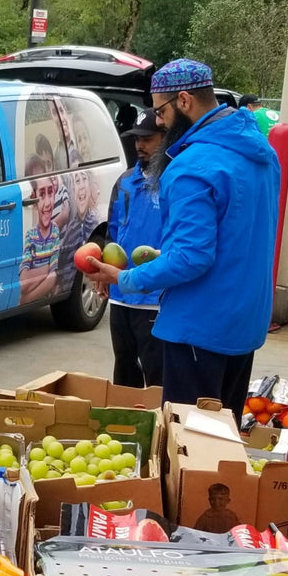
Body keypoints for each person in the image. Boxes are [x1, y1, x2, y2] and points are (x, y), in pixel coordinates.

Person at [86, 59, 280, 424]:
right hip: (244, 323)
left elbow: (192, 258)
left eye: (160, 110)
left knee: (188, 449)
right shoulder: (262, 153)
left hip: (198, 329)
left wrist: (123, 279)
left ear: (185, 101)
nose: (158, 121)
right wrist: (167, 255)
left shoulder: (192, 166)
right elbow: (239, 238)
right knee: (222, 444)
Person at [106, 107, 165, 388]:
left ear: (166, 138)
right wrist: (104, 273)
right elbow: (113, 234)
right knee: (124, 365)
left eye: (148, 138)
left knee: (156, 370)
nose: (140, 145)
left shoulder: (174, 182)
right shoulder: (125, 181)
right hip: (120, 292)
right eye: (136, 139)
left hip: (154, 295)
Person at [19, 156, 61, 303]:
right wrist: (47, 268)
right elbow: (23, 281)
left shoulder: (55, 231)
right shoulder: (30, 235)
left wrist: (25, 299)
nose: (49, 203)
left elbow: (53, 276)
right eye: (42, 194)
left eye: (51, 193)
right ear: (34, 199)